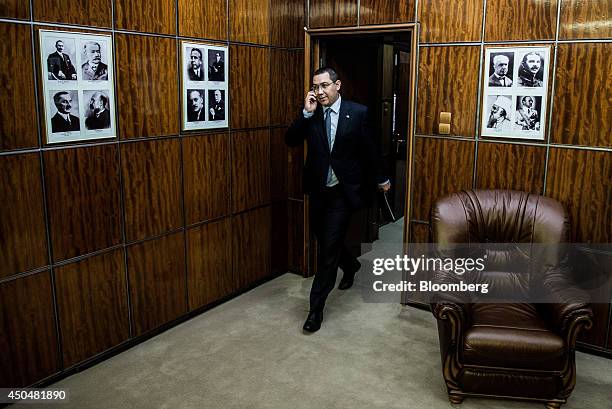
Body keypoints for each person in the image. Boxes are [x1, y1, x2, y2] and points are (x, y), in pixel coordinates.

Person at [285, 67, 390, 333]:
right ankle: (352, 265)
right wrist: (305, 113)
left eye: (324, 86)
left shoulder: (358, 113)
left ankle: (315, 310)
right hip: (319, 191)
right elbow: (291, 140)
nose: (319, 92)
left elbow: (370, 150)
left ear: (337, 85)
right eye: (315, 87)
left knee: (327, 251)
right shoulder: (312, 114)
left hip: (343, 192)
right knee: (325, 240)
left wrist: (381, 177)